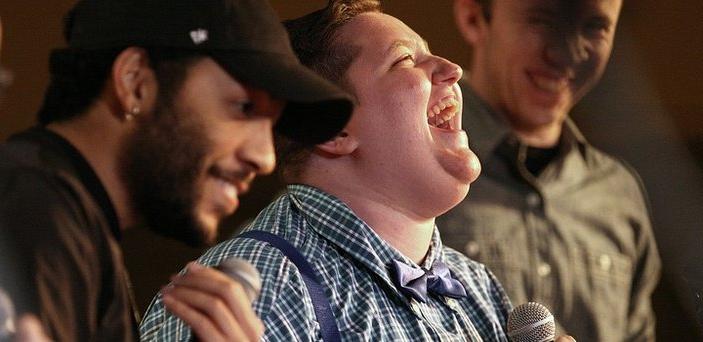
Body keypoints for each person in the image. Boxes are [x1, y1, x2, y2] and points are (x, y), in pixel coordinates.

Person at [139, 0, 531, 340]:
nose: (452, 68)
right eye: (404, 59)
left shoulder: (479, 288)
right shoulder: (252, 293)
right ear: (335, 128)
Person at [0, 0, 353, 341]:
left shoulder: (71, 224)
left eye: (272, 123)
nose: (264, 158)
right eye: (244, 108)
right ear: (135, 81)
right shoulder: (32, 213)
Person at [436, 0, 661, 341]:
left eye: (594, 27)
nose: (566, 53)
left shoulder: (620, 193)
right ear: (473, 18)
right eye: (542, 21)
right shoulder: (414, 163)